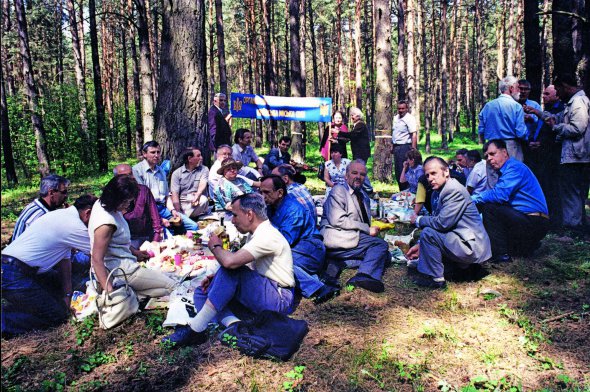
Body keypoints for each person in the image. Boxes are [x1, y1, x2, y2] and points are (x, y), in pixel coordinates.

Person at [162, 193, 296, 347]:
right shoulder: (258, 233)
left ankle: (196, 329)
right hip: (266, 290)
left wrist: (215, 246)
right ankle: (234, 326)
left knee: (229, 269)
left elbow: (230, 263)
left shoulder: (267, 236)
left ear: (250, 215)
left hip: (279, 298)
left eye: (235, 215)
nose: (233, 220)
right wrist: (217, 279)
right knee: (203, 292)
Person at [2, 195, 97, 336]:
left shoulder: (61, 216)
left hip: (18, 270)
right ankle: (5, 321)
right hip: (14, 274)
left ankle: (20, 306)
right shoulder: (73, 225)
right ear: (88, 213)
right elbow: (100, 253)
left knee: (70, 289)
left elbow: (64, 262)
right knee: (56, 316)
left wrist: (67, 294)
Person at [406, 157, 491, 288]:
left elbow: (442, 224)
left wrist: (418, 220)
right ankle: (460, 268)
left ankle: (435, 279)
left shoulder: (453, 190)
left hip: (471, 246)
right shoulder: (439, 191)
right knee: (428, 234)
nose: (429, 178)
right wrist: (421, 244)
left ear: (446, 172)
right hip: (461, 239)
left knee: (428, 233)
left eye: (434, 173)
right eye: (427, 175)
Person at [89, 175, 176, 299]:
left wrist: (135, 252)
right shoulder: (106, 224)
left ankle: (130, 294)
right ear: (116, 198)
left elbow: (116, 243)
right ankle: (123, 293)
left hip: (124, 265)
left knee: (163, 286)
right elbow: (97, 259)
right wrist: (110, 293)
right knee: (172, 285)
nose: (128, 206)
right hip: (122, 271)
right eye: (127, 202)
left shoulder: (103, 204)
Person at [260, 175, 339, 304]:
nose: (262, 196)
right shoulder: (271, 206)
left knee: (278, 261)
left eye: (266, 192)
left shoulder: (293, 209)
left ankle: (319, 288)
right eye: (261, 192)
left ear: (280, 193)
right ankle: (320, 278)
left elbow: (284, 241)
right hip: (297, 247)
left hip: (310, 247)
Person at [472, 140, 550, 263]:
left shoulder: (514, 167)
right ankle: (525, 247)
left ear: (504, 152)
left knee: (490, 208)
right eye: (486, 156)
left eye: (493, 154)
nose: (489, 159)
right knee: (491, 207)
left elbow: (499, 195)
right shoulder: (507, 171)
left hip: (534, 222)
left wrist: (472, 199)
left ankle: (501, 256)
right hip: (529, 220)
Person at [320, 160, 390, 293]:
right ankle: (363, 275)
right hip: (336, 237)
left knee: (386, 256)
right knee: (380, 246)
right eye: (354, 173)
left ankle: (340, 262)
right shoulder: (339, 190)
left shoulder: (363, 196)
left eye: (362, 174)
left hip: (352, 237)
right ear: (346, 176)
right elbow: (338, 220)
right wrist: (367, 229)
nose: (358, 176)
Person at [549, 75, 590, 230]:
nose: (557, 93)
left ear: (566, 86)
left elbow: (578, 128)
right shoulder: (573, 102)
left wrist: (556, 127)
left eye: (558, 89)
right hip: (576, 155)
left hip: (576, 156)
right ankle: (578, 224)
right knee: (576, 192)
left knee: (571, 192)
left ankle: (573, 227)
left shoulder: (578, 102)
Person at [523, 85, 565, 226]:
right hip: (541, 154)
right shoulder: (547, 110)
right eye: (543, 93)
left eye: (547, 94)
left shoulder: (559, 110)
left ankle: (555, 220)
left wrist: (543, 144)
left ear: (557, 96)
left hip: (551, 156)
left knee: (552, 187)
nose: (544, 96)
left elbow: (556, 132)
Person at [113, 164, 163, 254]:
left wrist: (156, 238)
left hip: (147, 237)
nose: (131, 178)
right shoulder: (115, 196)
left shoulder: (143, 191)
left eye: (131, 174)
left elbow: (155, 217)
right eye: (125, 176)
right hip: (127, 240)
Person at [478, 75, 528, 161]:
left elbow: (481, 130)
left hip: (491, 146)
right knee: (512, 172)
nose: (519, 91)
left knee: (493, 173)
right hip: (511, 148)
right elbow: (521, 133)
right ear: (511, 88)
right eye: (517, 88)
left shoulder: (488, 106)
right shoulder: (516, 106)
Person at [132, 141, 181, 227]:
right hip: (148, 210)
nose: (156, 155)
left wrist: (173, 210)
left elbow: (166, 196)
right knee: (166, 234)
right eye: (153, 152)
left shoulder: (161, 171)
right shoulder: (137, 170)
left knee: (192, 226)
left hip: (163, 208)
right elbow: (142, 200)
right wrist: (159, 219)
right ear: (144, 154)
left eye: (158, 152)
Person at [12, 174, 70, 240]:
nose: (66, 195)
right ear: (51, 193)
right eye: (64, 192)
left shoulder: (35, 205)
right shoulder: (41, 216)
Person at [170, 148, 210, 222]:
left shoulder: (204, 169)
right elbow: (174, 194)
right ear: (190, 159)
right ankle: (183, 217)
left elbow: (203, 183)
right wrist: (178, 210)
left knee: (204, 200)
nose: (201, 158)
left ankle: (185, 218)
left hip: (198, 200)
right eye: (198, 156)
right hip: (183, 202)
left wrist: (198, 195)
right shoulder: (177, 173)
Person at [392, 100, 418, 188]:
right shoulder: (395, 118)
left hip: (405, 147)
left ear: (406, 108)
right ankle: (401, 191)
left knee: (404, 169)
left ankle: (406, 190)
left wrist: (413, 150)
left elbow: (414, 134)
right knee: (397, 171)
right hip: (396, 147)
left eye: (403, 108)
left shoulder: (409, 118)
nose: (401, 110)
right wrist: (392, 146)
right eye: (399, 108)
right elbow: (395, 133)